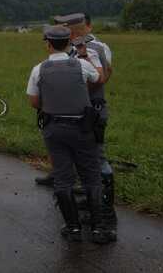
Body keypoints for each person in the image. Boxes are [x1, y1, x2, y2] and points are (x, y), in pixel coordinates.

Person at [27, 25, 112, 244]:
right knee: (91, 177)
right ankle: (99, 229)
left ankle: (73, 228)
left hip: (54, 129)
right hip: (82, 128)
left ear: (48, 44)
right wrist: (86, 55)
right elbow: (99, 80)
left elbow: (34, 101)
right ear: (68, 43)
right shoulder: (82, 65)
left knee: (63, 178)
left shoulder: (38, 69)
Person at [60, 13, 117, 240]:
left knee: (98, 158)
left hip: (91, 110)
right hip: (87, 108)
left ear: (73, 31)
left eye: (65, 27)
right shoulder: (90, 47)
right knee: (85, 158)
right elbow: (109, 71)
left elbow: (101, 77)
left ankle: (105, 210)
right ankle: (89, 201)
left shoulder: (91, 49)